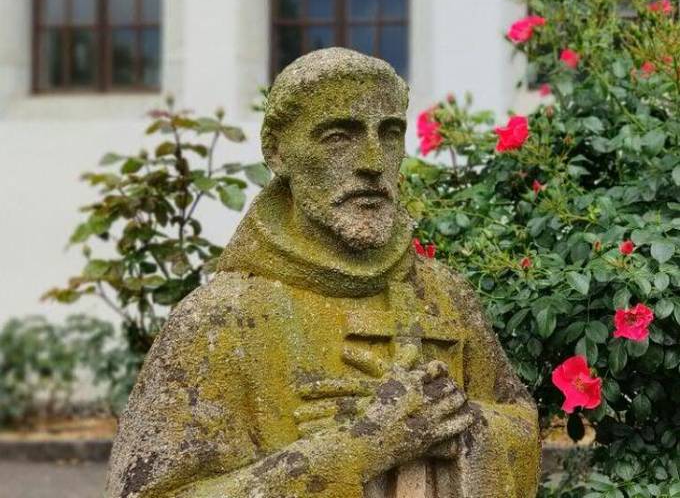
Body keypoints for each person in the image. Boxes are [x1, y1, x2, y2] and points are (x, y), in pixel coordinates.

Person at [107, 48, 540, 498]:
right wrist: (361, 446)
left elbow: (518, 424)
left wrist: (456, 425)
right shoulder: (220, 319)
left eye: (389, 134)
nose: (372, 162)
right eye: (338, 136)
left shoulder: (446, 295)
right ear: (277, 152)